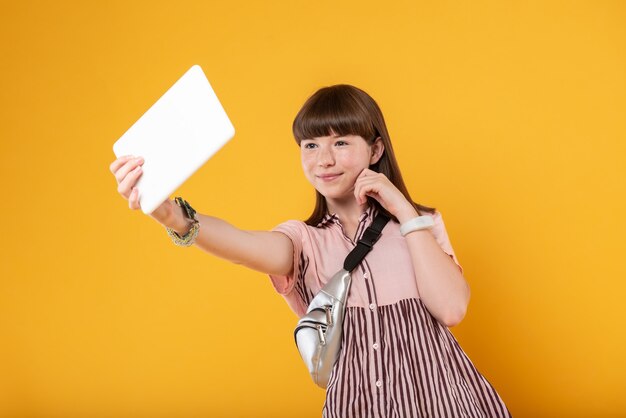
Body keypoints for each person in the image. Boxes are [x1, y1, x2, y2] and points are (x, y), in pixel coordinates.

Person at [110, 84, 512, 418]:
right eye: (311, 145)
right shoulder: (304, 240)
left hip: (447, 406)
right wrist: (176, 219)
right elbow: (243, 246)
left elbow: (452, 308)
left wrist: (404, 211)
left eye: (340, 142)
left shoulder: (420, 225)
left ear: (375, 151)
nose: (324, 160)